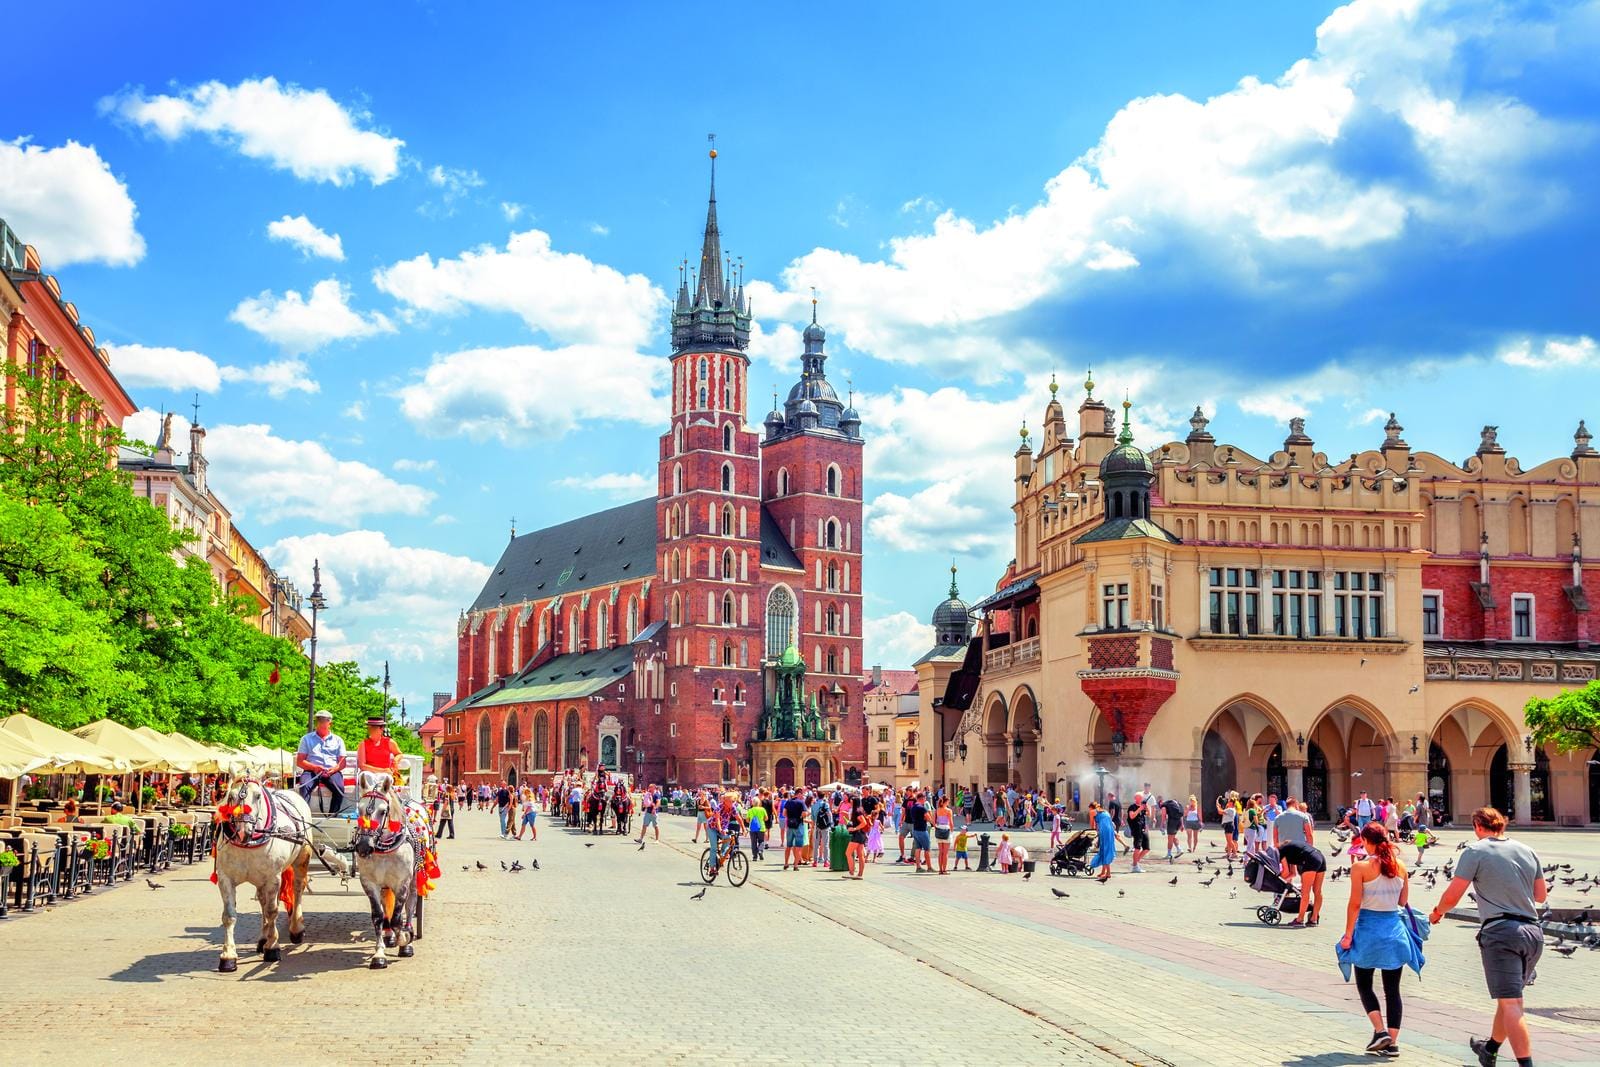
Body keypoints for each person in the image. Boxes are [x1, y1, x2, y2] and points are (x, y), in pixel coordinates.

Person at [1428, 807, 1547, 1067]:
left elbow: (1453, 894)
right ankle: (1489, 1048)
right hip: (1533, 933)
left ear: (1478, 826)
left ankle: (1526, 1064)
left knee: (1512, 1003)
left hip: (1502, 932)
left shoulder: (1475, 851)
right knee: (1508, 999)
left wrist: (1438, 912)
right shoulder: (1527, 850)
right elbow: (1540, 896)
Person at [1338, 822, 1415, 1057]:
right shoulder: (1400, 866)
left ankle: (1380, 1031)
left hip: (1368, 931)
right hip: (1394, 932)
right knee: (1393, 990)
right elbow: (1403, 902)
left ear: (1366, 840)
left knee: (1364, 984)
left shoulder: (1360, 867)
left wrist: (1348, 934)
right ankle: (1392, 1043)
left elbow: (1354, 904)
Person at [296, 709, 348, 814]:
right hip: (311, 771)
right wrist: (314, 767)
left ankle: (332, 816)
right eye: (319, 720)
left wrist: (334, 769)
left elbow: (342, 762)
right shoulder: (306, 739)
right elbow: (300, 761)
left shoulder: (338, 740)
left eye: (324, 720)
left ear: (330, 723)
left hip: (331, 771)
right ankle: (304, 816)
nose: (321, 723)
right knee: (304, 786)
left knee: (340, 789)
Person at [1089, 801, 1117, 883]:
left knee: (1104, 851)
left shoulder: (1092, 812)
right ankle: (1104, 871)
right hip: (1110, 831)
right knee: (1106, 850)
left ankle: (1108, 873)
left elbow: (1092, 825)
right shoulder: (1104, 811)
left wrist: (1092, 833)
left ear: (1091, 807)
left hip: (1104, 831)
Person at [781, 790, 807, 871]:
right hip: (799, 825)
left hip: (790, 825)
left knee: (788, 846)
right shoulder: (801, 803)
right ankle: (795, 865)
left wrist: (790, 817)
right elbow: (804, 813)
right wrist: (801, 817)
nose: (802, 796)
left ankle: (786, 863)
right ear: (799, 794)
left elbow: (784, 813)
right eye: (802, 794)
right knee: (798, 847)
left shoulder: (788, 802)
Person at [1125, 792, 1150, 873]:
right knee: (1137, 848)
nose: (1140, 799)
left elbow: (1149, 814)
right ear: (1135, 798)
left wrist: (1146, 807)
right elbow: (1131, 816)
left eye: (1141, 798)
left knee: (1146, 848)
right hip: (1136, 830)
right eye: (1138, 798)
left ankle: (1134, 863)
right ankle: (1135, 866)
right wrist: (1139, 809)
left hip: (1143, 829)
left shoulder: (1142, 807)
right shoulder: (1132, 807)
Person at [845, 798, 869, 879]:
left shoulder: (857, 811)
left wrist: (855, 829)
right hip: (861, 835)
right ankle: (859, 874)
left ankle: (851, 872)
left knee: (848, 853)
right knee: (860, 854)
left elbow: (864, 823)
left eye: (851, 801)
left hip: (857, 835)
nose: (850, 802)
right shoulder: (859, 810)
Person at [934, 794, 955, 874]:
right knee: (945, 852)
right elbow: (951, 822)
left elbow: (934, 820)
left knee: (940, 852)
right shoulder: (948, 810)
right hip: (946, 829)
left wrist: (936, 827)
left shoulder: (937, 810)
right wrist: (952, 831)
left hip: (939, 828)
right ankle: (944, 869)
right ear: (946, 802)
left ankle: (940, 869)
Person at [1161, 794, 1184, 861]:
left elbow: (1163, 814)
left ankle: (1169, 854)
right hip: (1178, 822)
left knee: (1170, 839)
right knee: (1173, 837)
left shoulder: (1164, 805)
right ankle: (1179, 849)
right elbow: (1181, 815)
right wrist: (1182, 824)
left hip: (1172, 822)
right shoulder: (1177, 804)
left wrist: (1162, 824)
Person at [745, 796, 767, 861]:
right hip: (761, 827)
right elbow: (766, 818)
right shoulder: (762, 809)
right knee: (761, 841)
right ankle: (760, 851)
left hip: (752, 828)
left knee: (753, 842)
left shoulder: (750, 810)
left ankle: (755, 856)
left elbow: (747, 820)